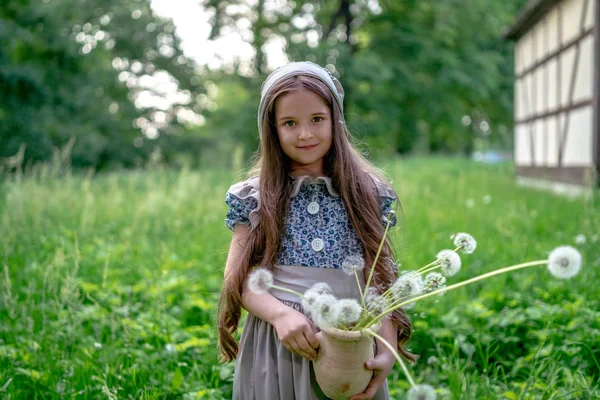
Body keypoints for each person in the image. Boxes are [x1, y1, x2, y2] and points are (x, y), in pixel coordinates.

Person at [217, 61, 414, 400]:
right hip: (279, 346)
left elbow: (380, 277)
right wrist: (280, 315)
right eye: (290, 123)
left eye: (317, 120)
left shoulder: (367, 192)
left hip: (351, 344)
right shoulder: (255, 197)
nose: (305, 134)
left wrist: (388, 346)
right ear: (272, 129)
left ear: (335, 121)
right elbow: (236, 277)